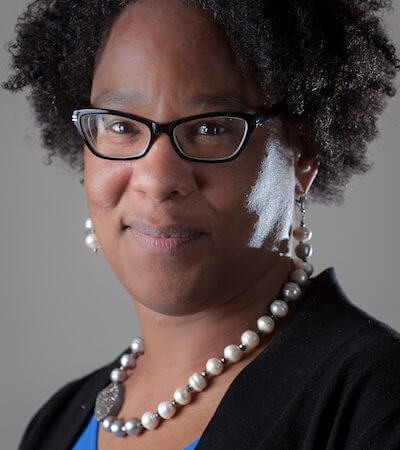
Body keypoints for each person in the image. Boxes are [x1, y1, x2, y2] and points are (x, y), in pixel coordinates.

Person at [4, 0, 400, 449]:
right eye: (121, 126)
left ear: (302, 156)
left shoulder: (374, 405)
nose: (156, 181)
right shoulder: (56, 425)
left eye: (211, 129)